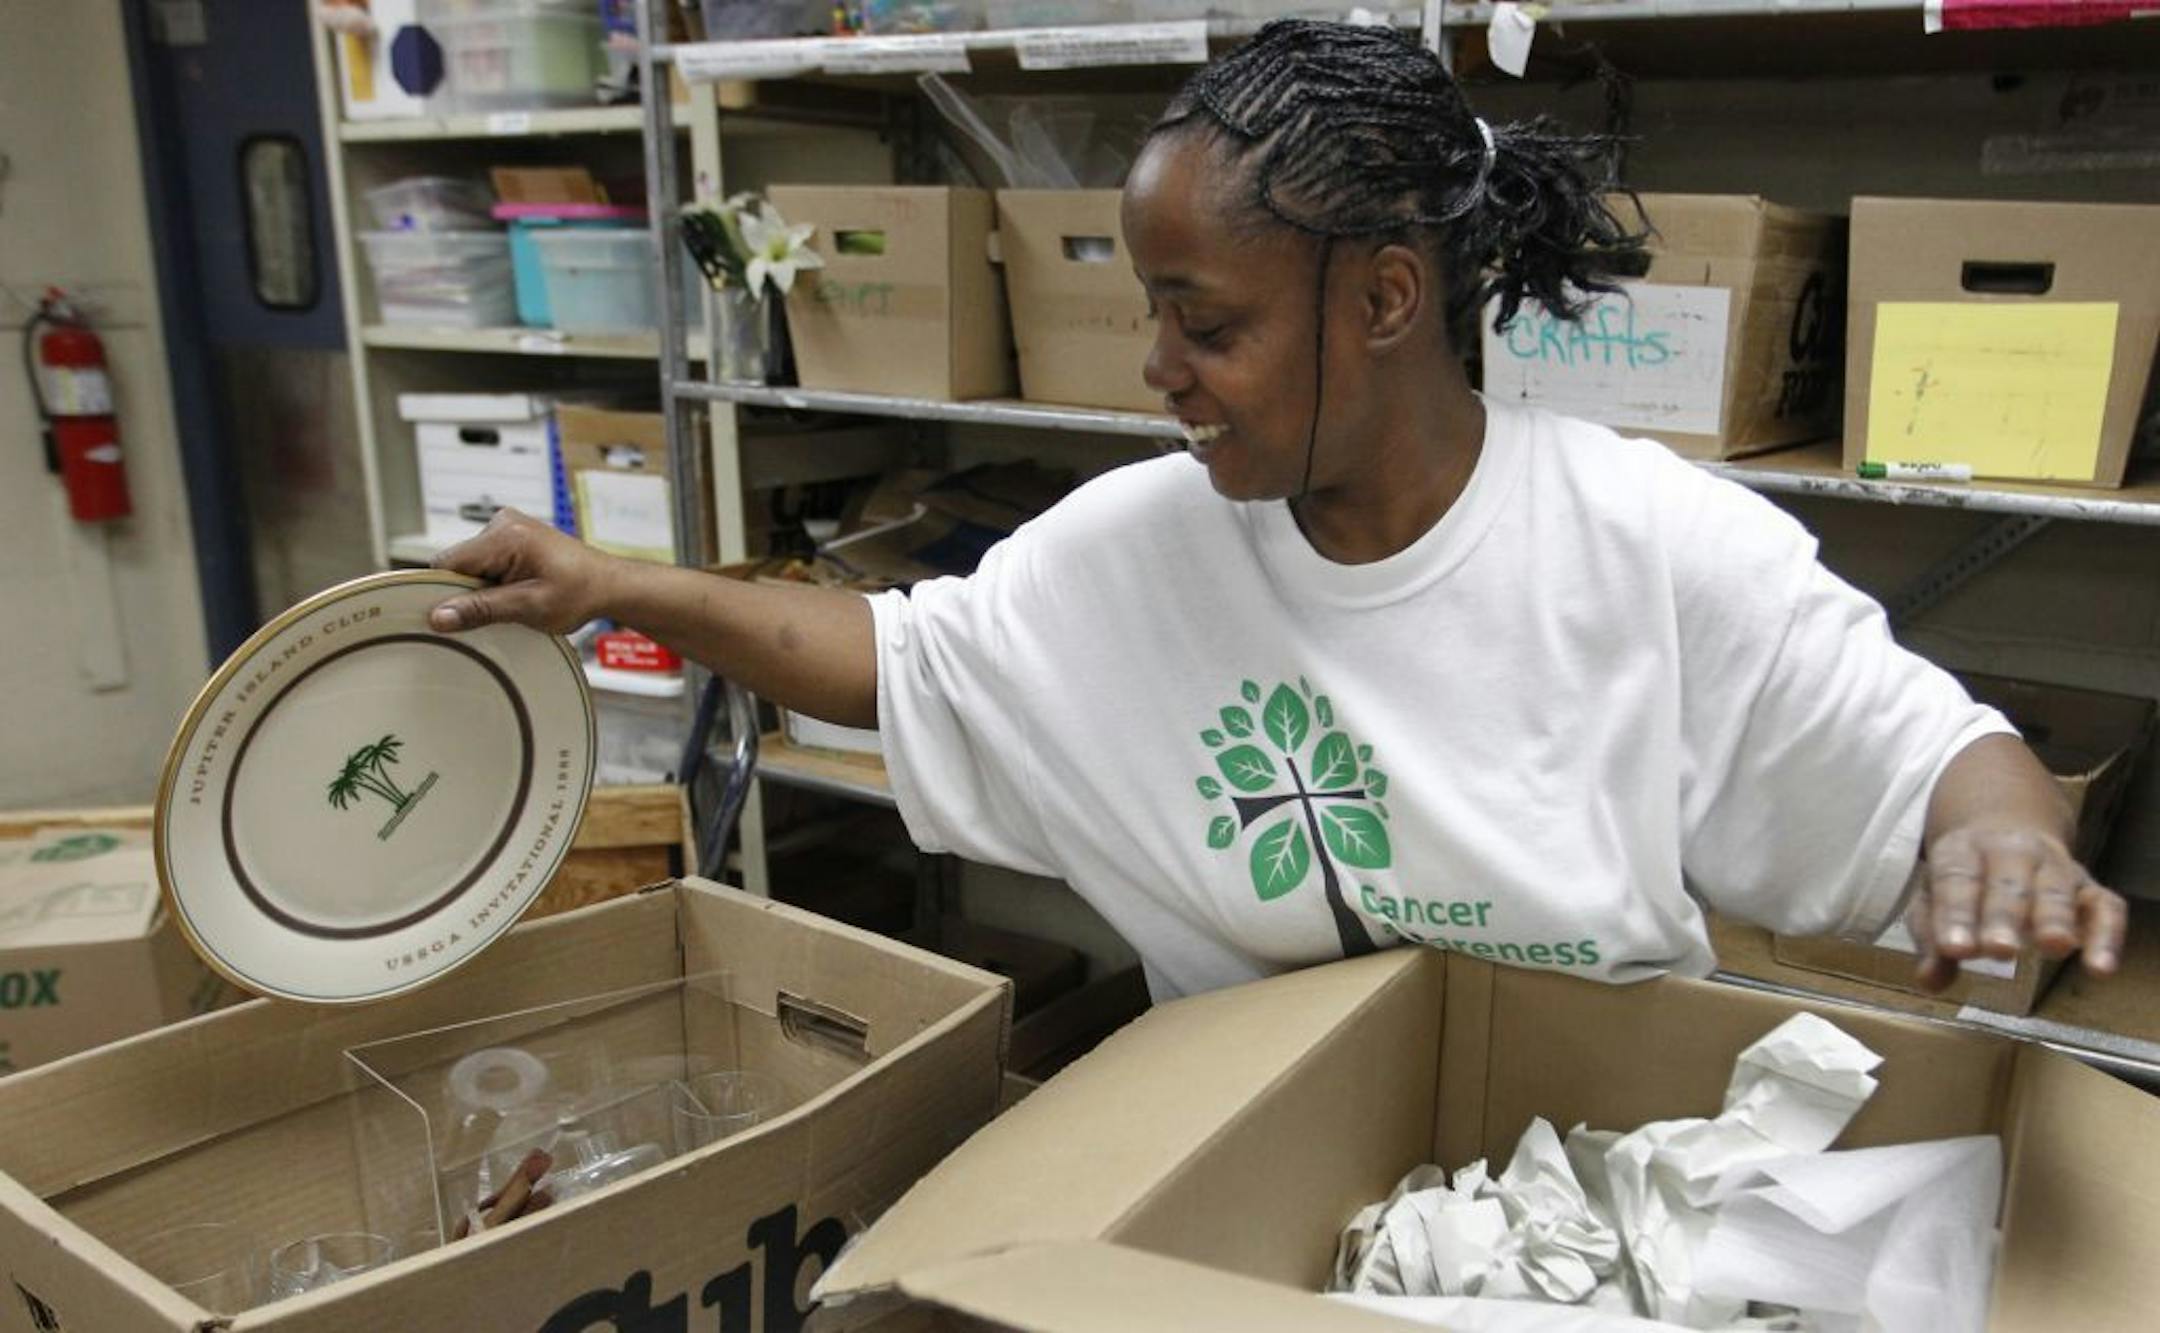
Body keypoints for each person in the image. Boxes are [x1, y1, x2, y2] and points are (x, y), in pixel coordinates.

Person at [430, 20, 2124, 1003]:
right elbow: (894, 654)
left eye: (1209, 321)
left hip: (1578, 1193)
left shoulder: (1645, 542)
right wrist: (611, 578)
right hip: (1253, 1196)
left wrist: (2002, 842)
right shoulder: (1139, 549)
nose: (1156, 368)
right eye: (1153, 313)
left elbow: (1945, 763)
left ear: (1387, 298)